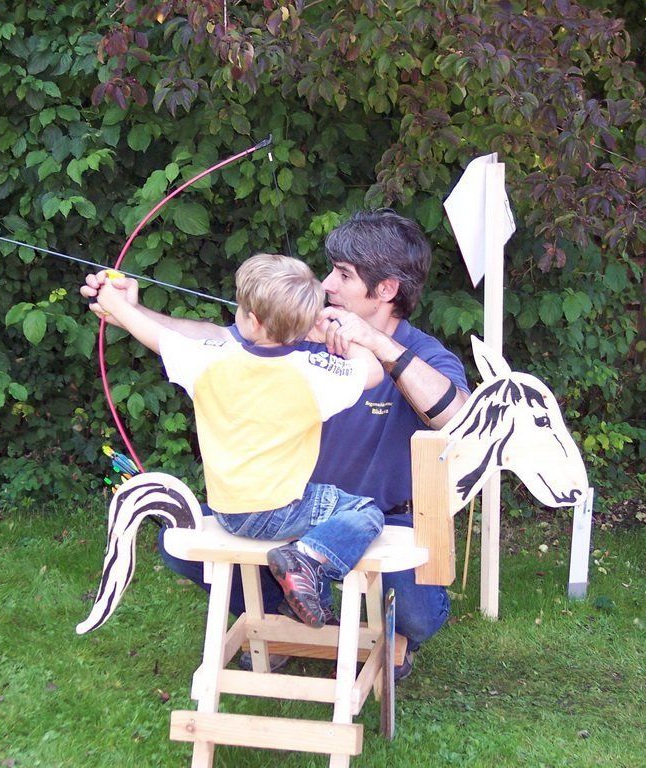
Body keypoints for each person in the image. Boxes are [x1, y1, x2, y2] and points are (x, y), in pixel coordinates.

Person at [81, 209, 470, 678]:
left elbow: (460, 420)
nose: (327, 284)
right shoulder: (299, 331)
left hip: (382, 521)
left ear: (386, 290)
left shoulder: (422, 354)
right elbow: (214, 341)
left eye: (343, 275)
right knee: (179, 540)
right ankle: (288, 611)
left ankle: (338, 614)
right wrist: (130, 312)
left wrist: (378, 345)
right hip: (286, 511)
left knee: (419, 616)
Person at [92, 252, 385, 628]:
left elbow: (153, 334)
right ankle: (308, 559)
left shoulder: (207, 360)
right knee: (365, 511)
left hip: (228, 512)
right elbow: (373, 371)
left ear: (253, 320)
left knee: (325, 514)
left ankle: (304, 581)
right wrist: (336, 334)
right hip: (282, 511)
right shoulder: (314, 374)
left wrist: (115, 302)